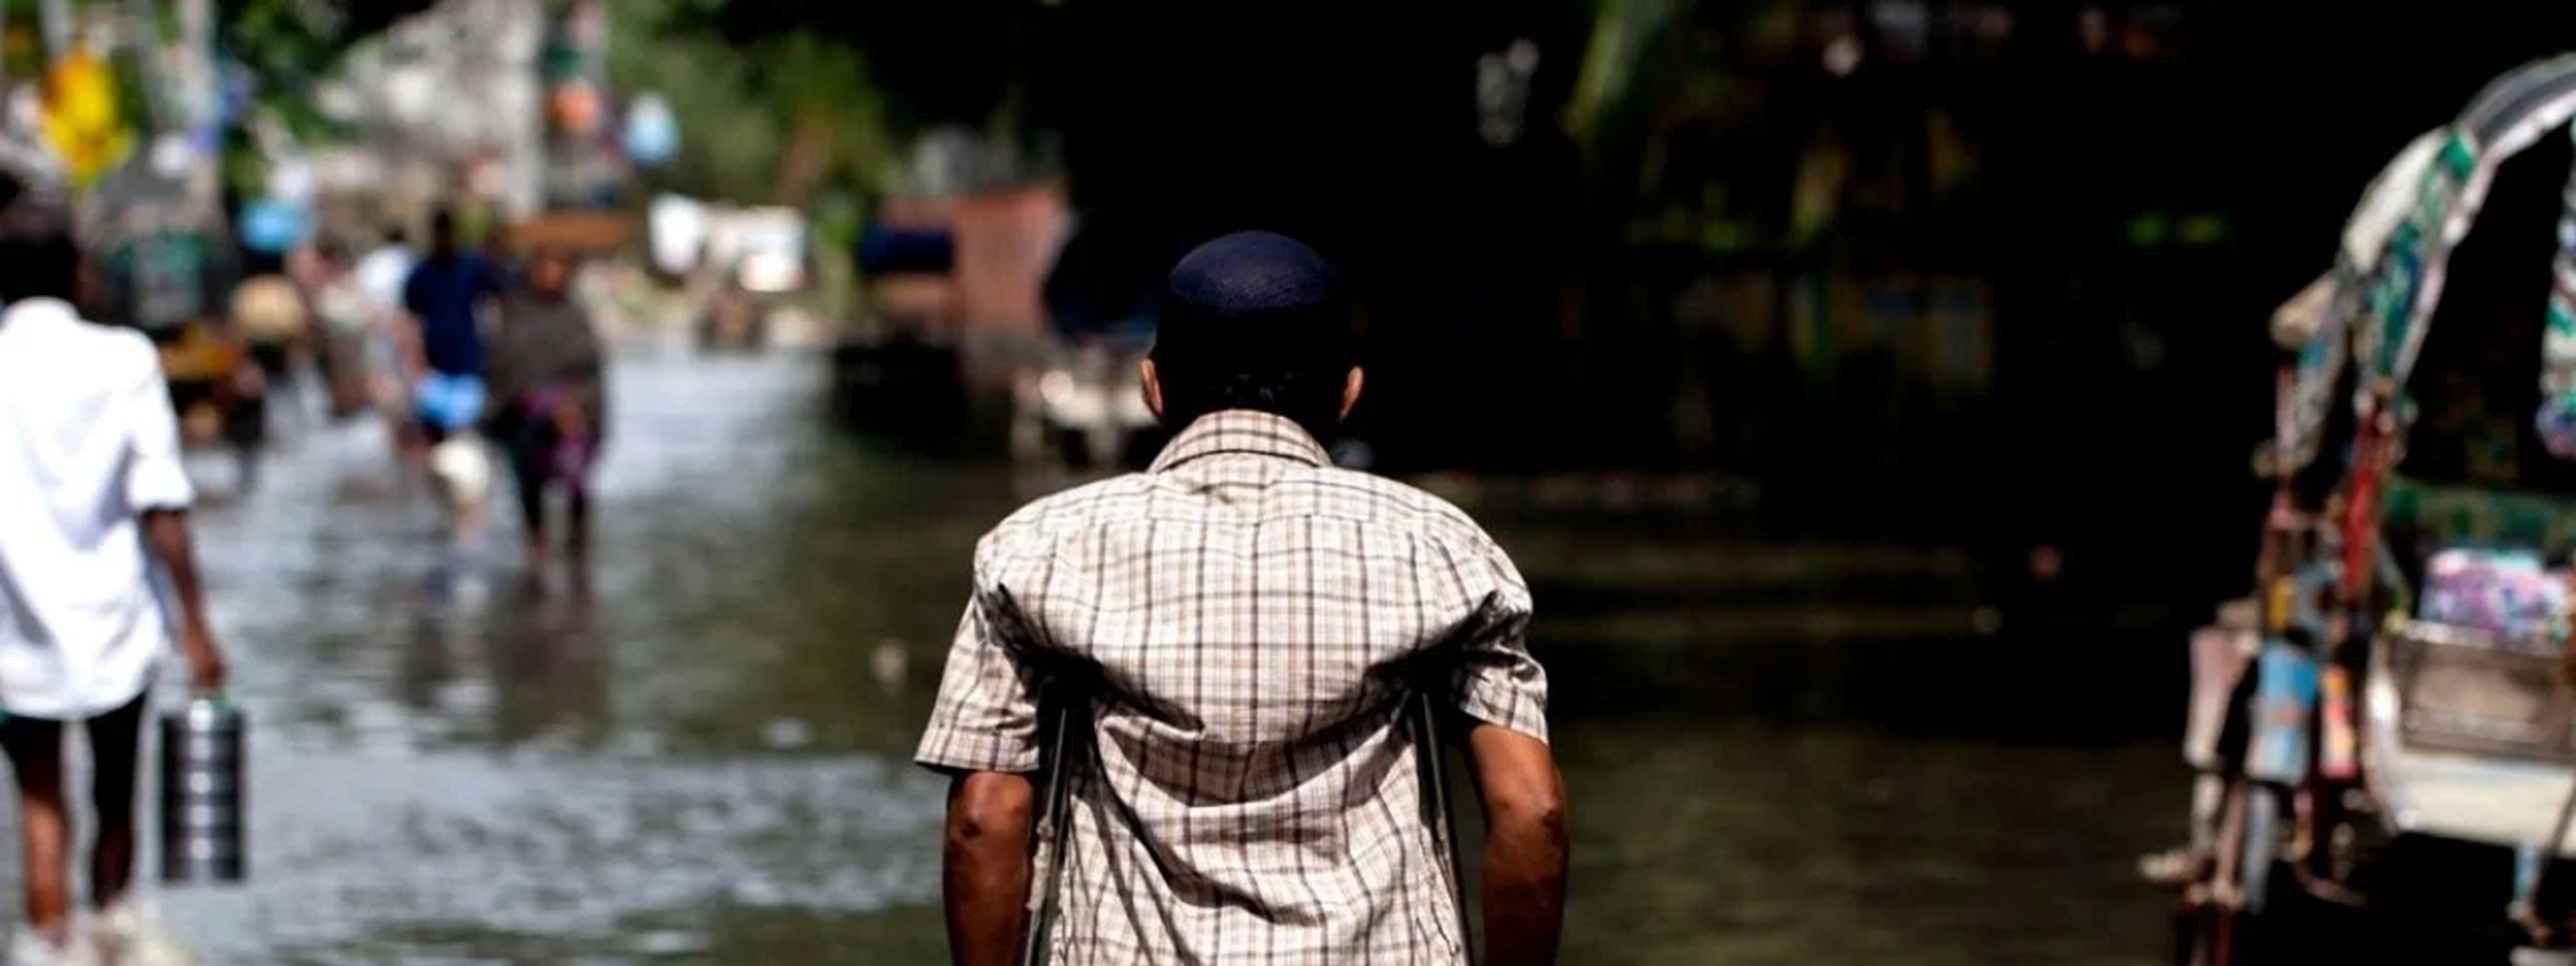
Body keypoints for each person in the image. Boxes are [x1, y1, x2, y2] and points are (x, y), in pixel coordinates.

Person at [918, 231, 1569, 966]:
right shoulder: (1442, 549)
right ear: (1348, 393)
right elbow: (1530, 813)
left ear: (1153, 386)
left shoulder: (1037, 551)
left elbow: (984, 819)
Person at [0, 180, 227, 965]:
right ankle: (109, 928)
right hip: (112, 623)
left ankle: (45, 946)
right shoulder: (123, 359)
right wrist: (196, 622)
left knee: (37, 802)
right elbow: (161, 504)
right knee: (114, 795)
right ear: (81, 276)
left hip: (13, 630)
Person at [484, 248, 607, 564]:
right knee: (527, 480)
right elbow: (503, 364)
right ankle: (536, 543)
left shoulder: (574, 315)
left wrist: (574, 403)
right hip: (525, 417)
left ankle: (578, 546)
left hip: (573, 416)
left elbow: (589, 367)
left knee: (577, 481)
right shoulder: (515, 312)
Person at [401, 209, 507, 448]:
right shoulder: (421, 273)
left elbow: (498, 303)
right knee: (436, 443)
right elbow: (409, 323)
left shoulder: (472, 267)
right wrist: (415, 365)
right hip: (435, 368)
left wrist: (495, 353)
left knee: (465, 439)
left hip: (468, 364)